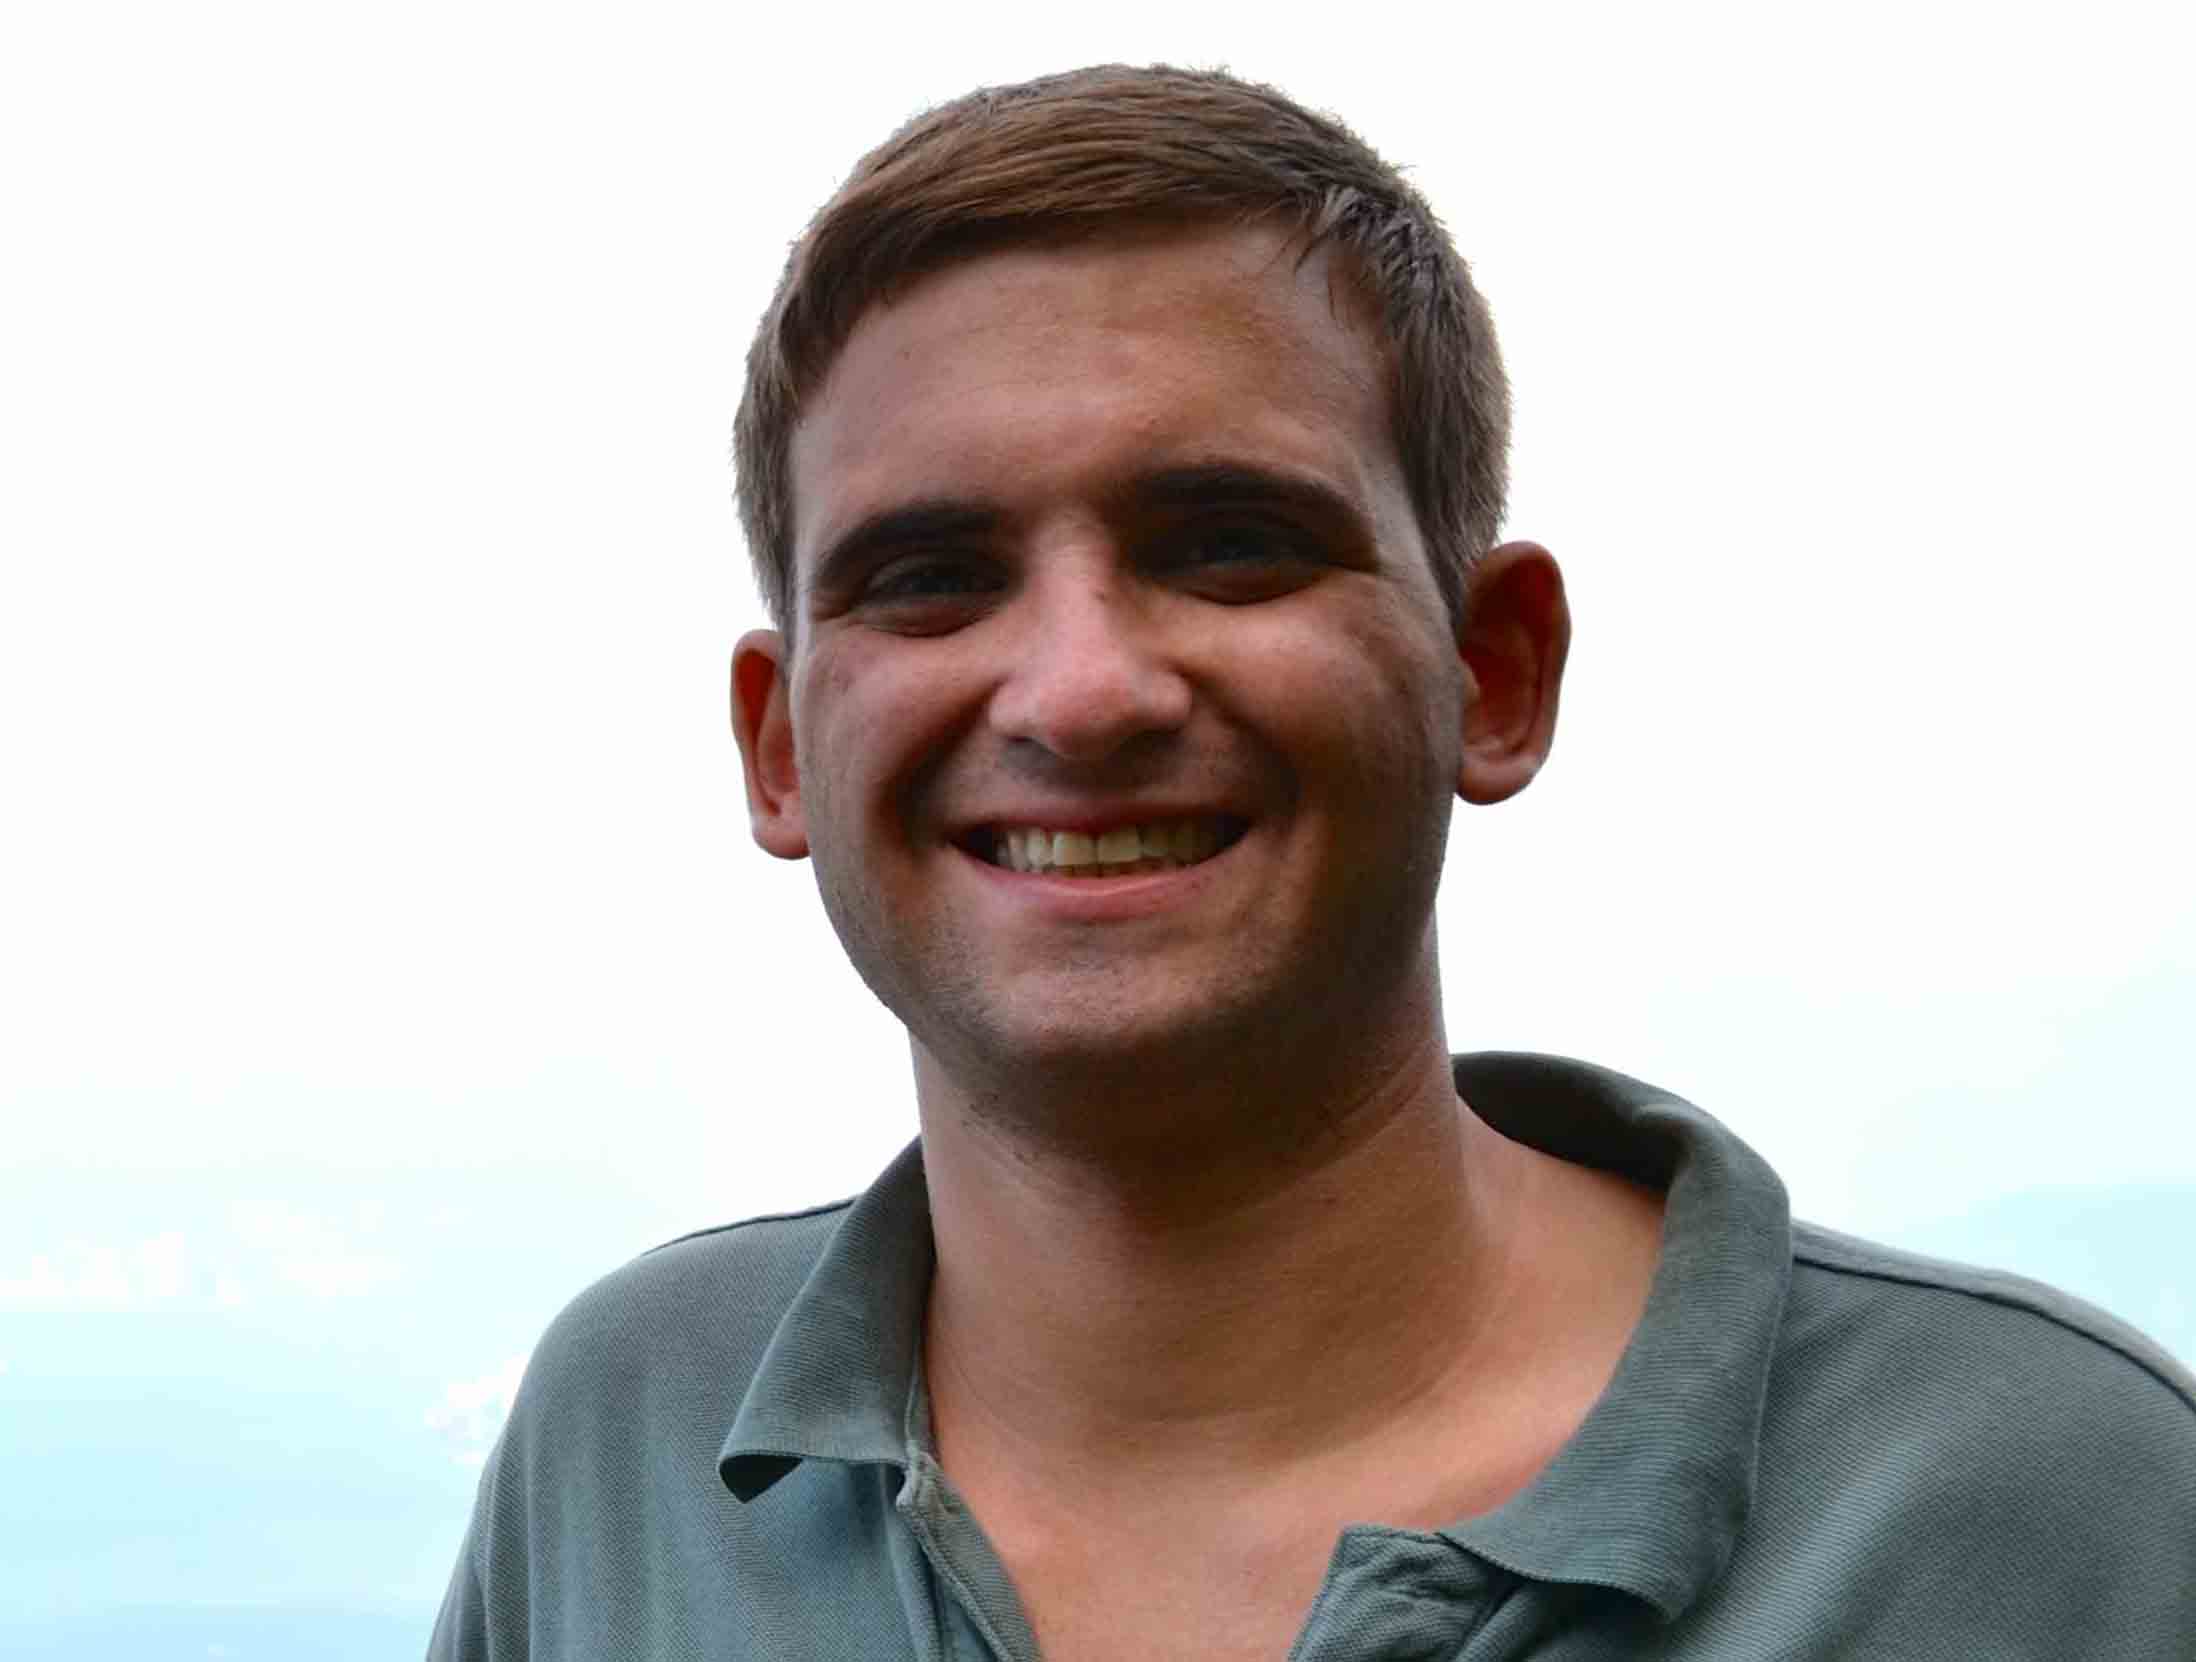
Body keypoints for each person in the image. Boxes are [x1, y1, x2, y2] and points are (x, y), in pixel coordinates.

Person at [429, 64, 2195, 1660]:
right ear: (779, 746)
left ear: (1492, 671)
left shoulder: (2055, 1512)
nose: (1082, 691)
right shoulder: (629, 1444)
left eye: (1228, 544)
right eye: (931, 579)